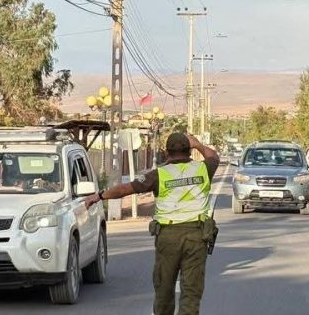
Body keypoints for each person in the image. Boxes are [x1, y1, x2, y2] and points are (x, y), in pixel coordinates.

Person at [84, 133, 220, 315]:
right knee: (191, 291)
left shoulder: (158, 175)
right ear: (189, 151)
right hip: (197, 236)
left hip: (168, 236)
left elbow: (125, 189)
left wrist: (99, 196)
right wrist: (198, 145)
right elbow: (214, 156)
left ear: (166, 152)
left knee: (164, 288)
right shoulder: (203, 169)